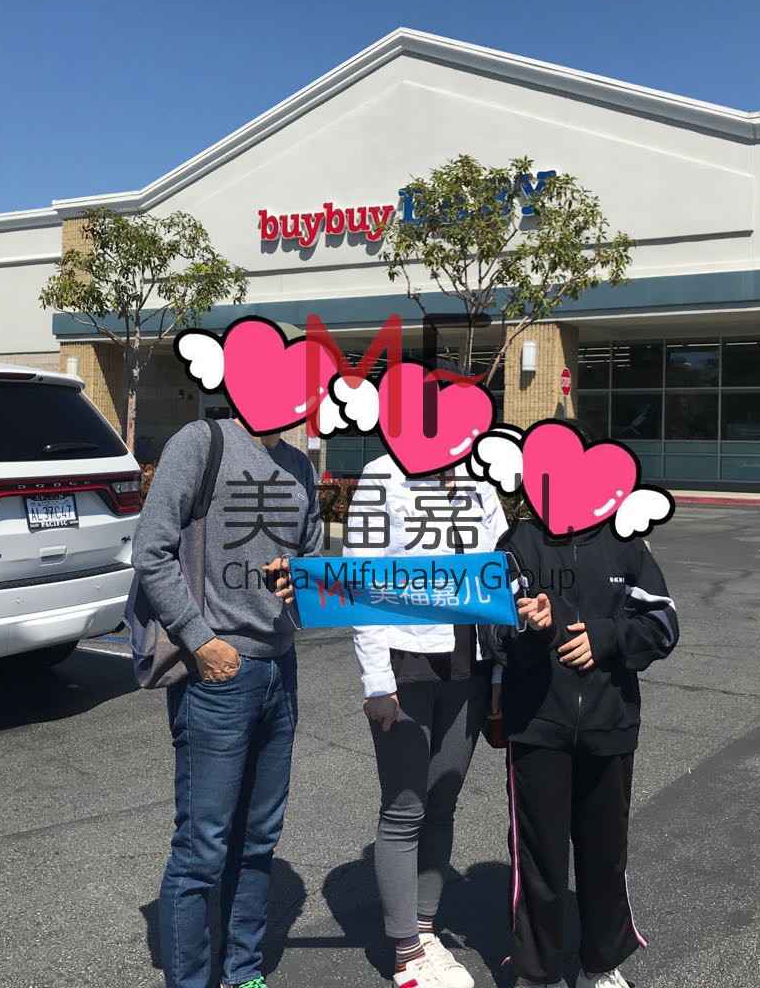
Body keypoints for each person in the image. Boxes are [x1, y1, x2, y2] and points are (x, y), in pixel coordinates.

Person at [134, 417, 321, 988]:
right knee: (202, 848)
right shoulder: (201, 442)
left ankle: (243, 973)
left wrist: (299, 578)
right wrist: (201, 640)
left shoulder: (300, 465)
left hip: (279, 667)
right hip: (218, 674)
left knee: (259, 840)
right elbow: (151, 550)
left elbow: (313, 557)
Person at [493, 519, 680, 988]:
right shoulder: (518, 542)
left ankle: (601, 964)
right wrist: (532, 625)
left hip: (610, 723)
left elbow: (663, 624)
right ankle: (536, 971)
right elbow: (491, 632)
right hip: (537, 726)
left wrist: (607, 637)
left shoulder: (625, 543)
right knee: (538, 856)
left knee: (605, 854)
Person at [348, 453, 509, 988]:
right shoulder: (382, 475)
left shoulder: (479, 477)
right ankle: (405, 952)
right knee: (404, 806)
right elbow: (361, 578)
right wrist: (377, 682)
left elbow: (500, 568)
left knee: (443, 798)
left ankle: (425, 930)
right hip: (405, 661)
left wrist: (500, 669)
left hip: (470, 661)